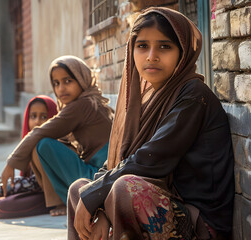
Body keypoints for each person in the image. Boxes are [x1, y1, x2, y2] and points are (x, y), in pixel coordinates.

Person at [68, 7, 234, 240]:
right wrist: (96, 200)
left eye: (164, 46)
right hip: (160, 198)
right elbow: (117, 163)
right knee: (79, 190)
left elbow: (152, 159)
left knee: (124, 188)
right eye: (142, 46)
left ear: (182, 52)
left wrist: (97, 197)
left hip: (198, 221)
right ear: (132, 50)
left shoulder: (194, 95)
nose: (151, 56)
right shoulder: (145, 99)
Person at [1, 55, 114, 216]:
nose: (61, 88)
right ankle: (64, 200)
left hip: (98, 177)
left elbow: (39, 132)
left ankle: (65, 202)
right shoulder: (90, 101)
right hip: (103, 174)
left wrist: (11, 164)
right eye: (56, 83)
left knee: (42, 145)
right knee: (45, 144)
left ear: (82, 79)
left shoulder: (81, 105)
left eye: (68, 81)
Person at [0, 95, 58, 218]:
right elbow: (24, 180)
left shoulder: (50, 145)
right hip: (32, 190)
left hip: (50, 196)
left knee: (4, 205)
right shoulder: (29, 144)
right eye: (33, 116)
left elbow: (35, 184)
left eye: (44, 117)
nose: (37, 121)